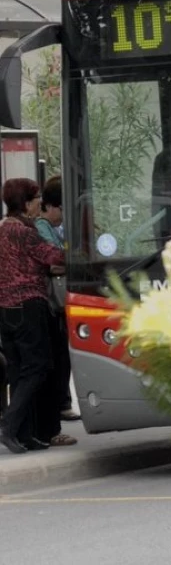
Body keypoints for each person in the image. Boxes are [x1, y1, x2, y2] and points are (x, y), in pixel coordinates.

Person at [0, 178, 67, 454]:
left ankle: (24, 435)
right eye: (36, 198)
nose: (40, 202)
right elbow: (53, 257)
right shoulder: (24, 233)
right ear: (26, 203)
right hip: (28, 306)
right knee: (38, 367)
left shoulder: (3, 228)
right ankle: (8, 426)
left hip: (5, 310)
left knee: (18, 371)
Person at [35, 176, 81, 430]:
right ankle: (60, 404)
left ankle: (63, 401)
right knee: (57, 354)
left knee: (63, 353)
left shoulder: (58, 227)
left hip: (60, 299)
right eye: (62, 210)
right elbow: (53, 261)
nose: (63, 215)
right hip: (49, 301)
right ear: (51, 206)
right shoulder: (42, 227)